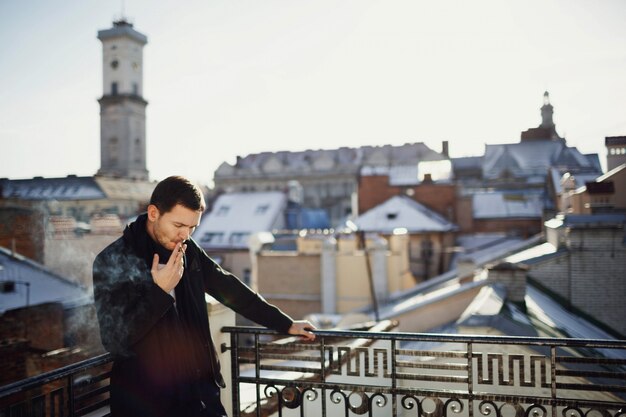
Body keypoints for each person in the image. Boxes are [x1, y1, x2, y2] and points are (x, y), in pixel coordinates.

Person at [93, 176, 315, 417]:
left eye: (192, 228)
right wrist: (158, 291)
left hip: (198, 395)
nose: (185, 236)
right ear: (154, 213)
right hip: (146, 403)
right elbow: (114, 340)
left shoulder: (188, 251)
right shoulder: (111, 260)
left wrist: (285, 323)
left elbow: (230, 289)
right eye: (179, 226)